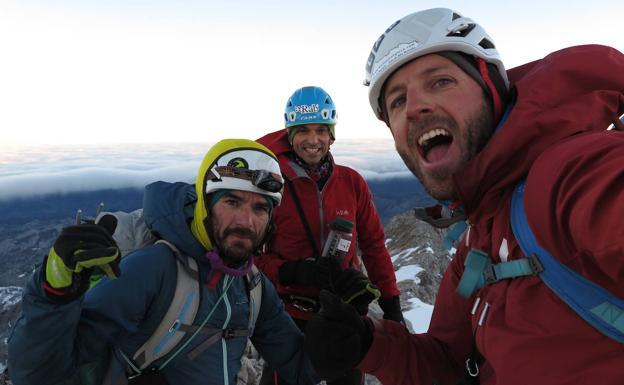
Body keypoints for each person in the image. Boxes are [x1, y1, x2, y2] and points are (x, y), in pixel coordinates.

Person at [304, 8, 624, 385]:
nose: (416, 106)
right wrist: (369, 345)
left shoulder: (570, 176)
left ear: (492, 88)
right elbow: (449, 361)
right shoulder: (477, 242)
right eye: (397, 101)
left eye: (440, 81)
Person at [8, 139, 319, 385]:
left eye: (261, 208)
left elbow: (299, 366)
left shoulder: (251, 286)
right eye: (232, 202)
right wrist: (54, 291)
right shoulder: (155, 268)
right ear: (205, 206)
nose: (246, 222)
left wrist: (341, 343)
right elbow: (40, 374)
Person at [255, 86, 404, 385]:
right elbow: (251, 258)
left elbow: (374, 245)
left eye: (322, 130)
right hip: (288, 316)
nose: (313, 140)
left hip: (344, 315)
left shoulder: (351, 182)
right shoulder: (271, 183)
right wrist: (291, 271)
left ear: (332, 135)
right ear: (290, 134)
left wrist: (392, 308)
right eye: (303, 131)